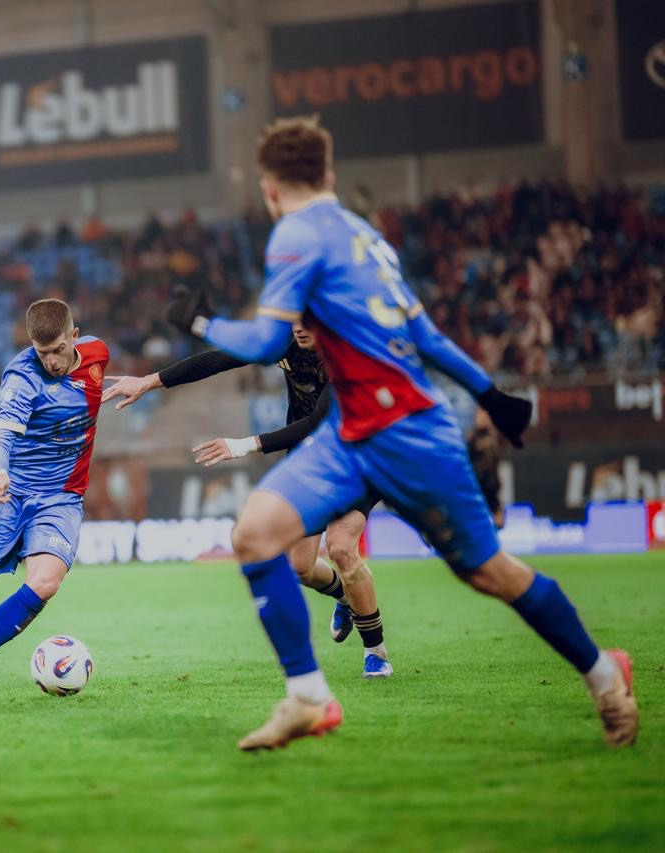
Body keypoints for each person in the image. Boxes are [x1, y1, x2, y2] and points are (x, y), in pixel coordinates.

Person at [164, 115, 636, 751]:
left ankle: (605, 673)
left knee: (489, 572)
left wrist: (201, 323)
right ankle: (308, 698)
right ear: (329, 175)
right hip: (347, 433)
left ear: (269, 189)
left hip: (406, 432)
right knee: (255, 533)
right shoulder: (367, 238)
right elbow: (428, 336)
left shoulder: (295, 234)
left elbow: (263, 339)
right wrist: (490, 394)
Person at [103, 323, 392, 678]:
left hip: (358, 456)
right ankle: (347, 598)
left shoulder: (347, 352)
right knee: (301, 566)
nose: (299, 327)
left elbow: (317, 422)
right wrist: (148, 382)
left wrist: (242, 445)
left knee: (342, 548)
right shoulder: (282, 341)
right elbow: (219, 360)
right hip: (310, 461)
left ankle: (375, 652)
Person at [0, 298, 109, 697]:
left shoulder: (98, 354)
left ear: (74, 336)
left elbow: (96, 376)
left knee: (46, 582)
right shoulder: (22, 378)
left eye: (58, 350)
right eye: (42, 352)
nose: (51, 361)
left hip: (61, 498)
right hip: (10, 492)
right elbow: (0, 438)